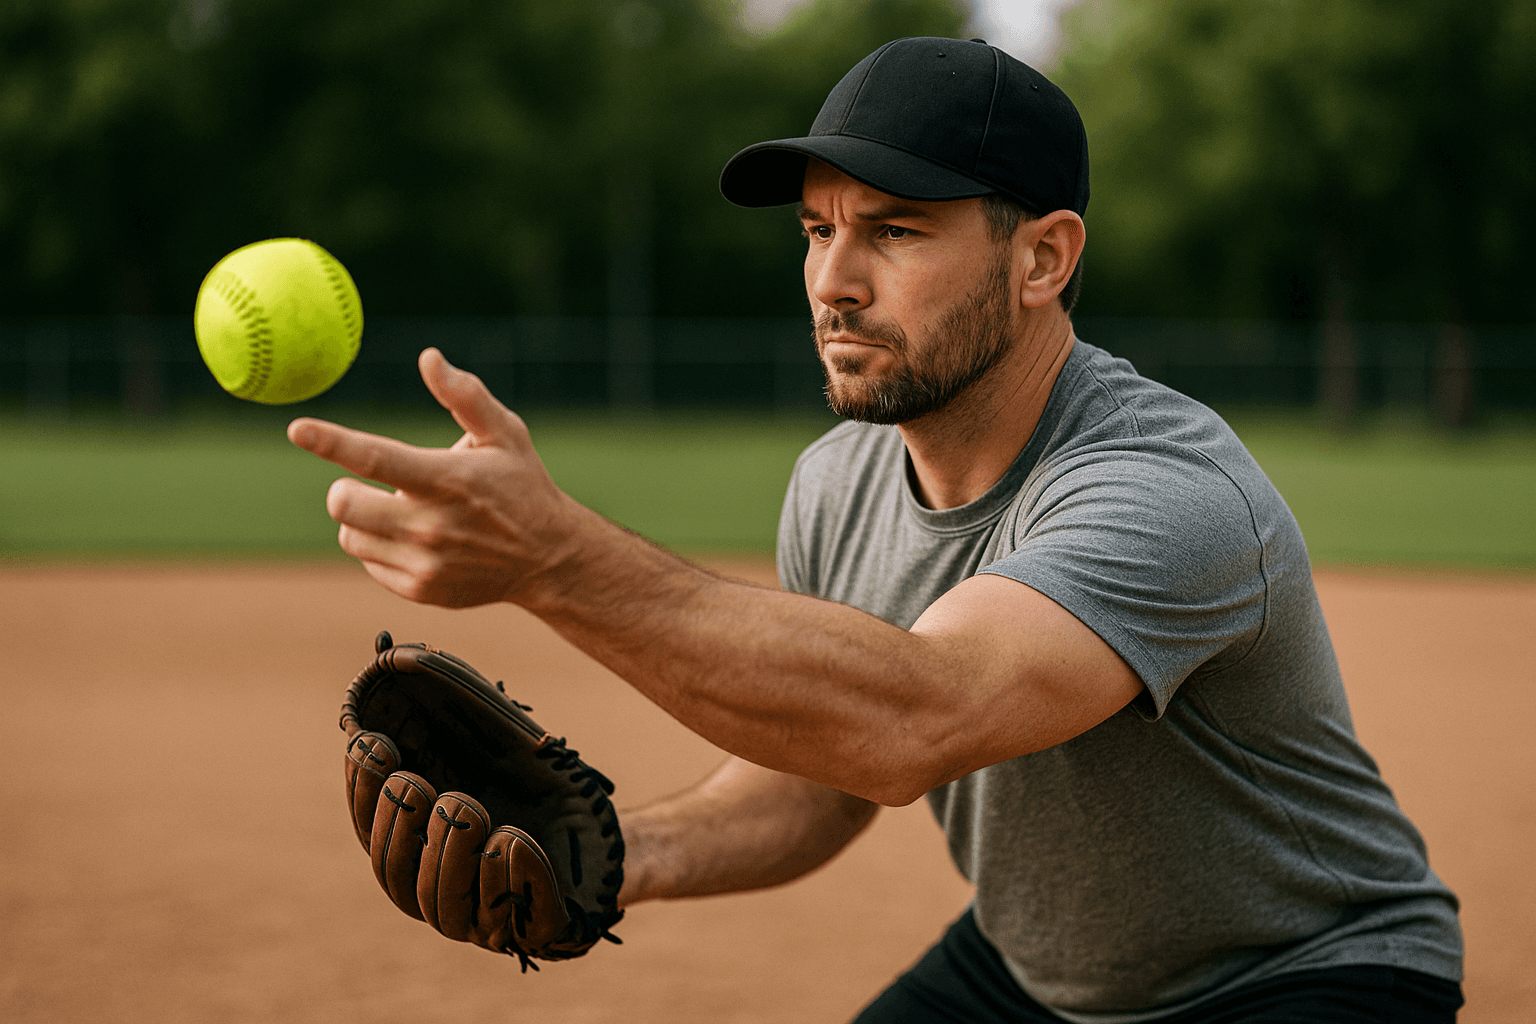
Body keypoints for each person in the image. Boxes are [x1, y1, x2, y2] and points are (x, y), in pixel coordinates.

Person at [289, 36, 1463, 1024]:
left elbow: (912, 717)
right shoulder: (838, 481)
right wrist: (607, 857)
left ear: (1043, 257)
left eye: (894, 232)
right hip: (1036, 978)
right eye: (816, 231)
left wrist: (553, 557)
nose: (833, 281)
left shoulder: (1167, 491)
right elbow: (825, 771)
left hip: (1307, 971)